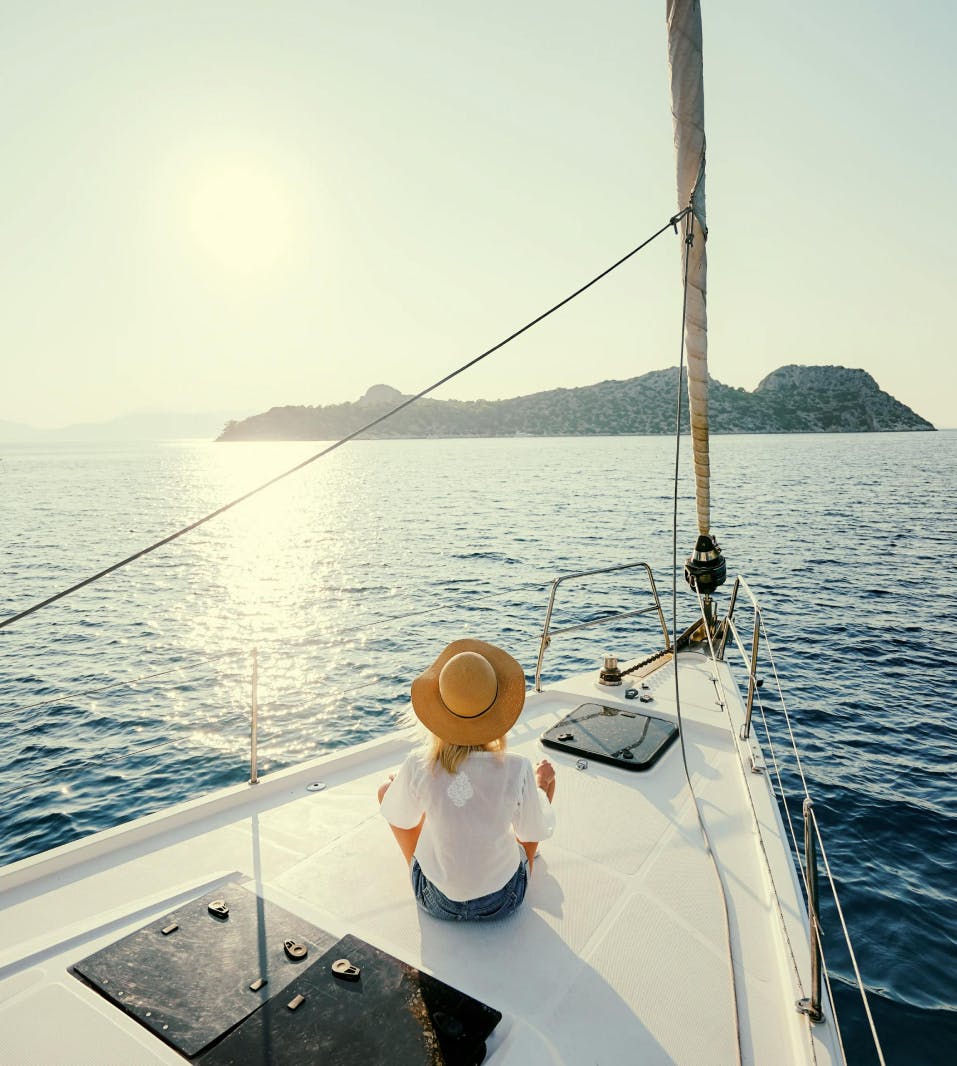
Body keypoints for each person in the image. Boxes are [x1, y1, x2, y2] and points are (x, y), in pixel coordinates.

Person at [378, 638, 556, 922]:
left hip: (435, 901)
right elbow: (533, 828)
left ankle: (418, 865)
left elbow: (401, 816)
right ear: (496, 711)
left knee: (387, 790)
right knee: (543, 782)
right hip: (503, 900)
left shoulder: (418, 765)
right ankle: (529, 863)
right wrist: (540, 786)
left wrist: (406, 784)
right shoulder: (517, 768)